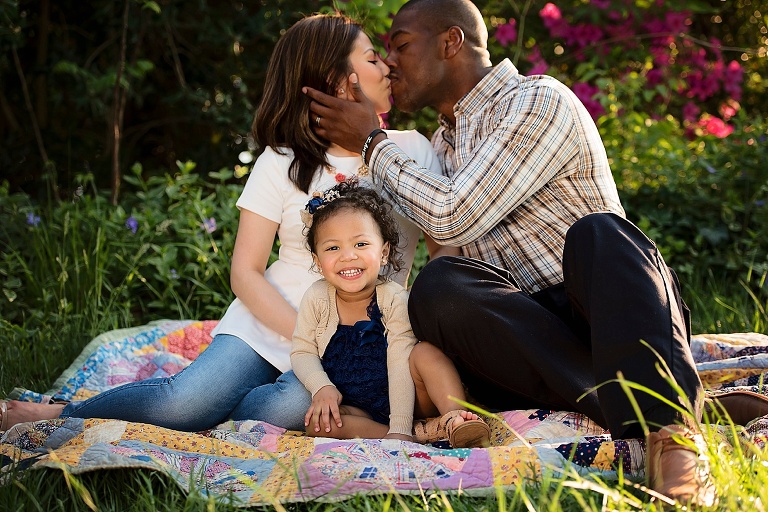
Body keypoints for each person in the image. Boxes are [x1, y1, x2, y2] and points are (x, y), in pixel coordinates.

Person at [302, 0, 768, 504]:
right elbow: (447, 250)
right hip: (528, 340)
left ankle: (675, 441)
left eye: (401, 45)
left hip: (615, 314)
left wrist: (372, 139)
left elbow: (452, 213)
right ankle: (679, 400)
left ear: (450, 42)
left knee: (601, 233)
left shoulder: (538, 102)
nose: (390, 62)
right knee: (437, 289)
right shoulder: (439, 144)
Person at [0, 14, 445, 436]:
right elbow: (245, 272)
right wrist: (310, 336)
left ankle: (215, 416)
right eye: (371, 59)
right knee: (185, 403)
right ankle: (64, 412)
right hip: (269, 325)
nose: (386, 66)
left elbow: (441, 256)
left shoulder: (411, 151)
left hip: (356, 347)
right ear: (336, 82)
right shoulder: (284, 161)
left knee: (281, 411)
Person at [291, 180, 490, 448]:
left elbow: (399, 362)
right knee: (318, 424)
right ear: (317, 260)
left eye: (361, 244)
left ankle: (454, 417)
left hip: (412, 398)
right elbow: (303, 351)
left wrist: (401, 424)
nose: (348, 256)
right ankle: (410, 435)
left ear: (383, 252)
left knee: (426, 353)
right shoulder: (316, 297)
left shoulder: (393, 298)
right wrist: (322, 387)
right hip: (359, 407)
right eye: (332, 248)